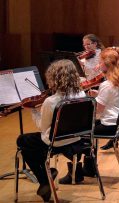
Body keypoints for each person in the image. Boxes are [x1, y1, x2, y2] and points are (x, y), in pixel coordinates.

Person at [16, 59, 86, 202]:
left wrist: (34, 111)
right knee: (30, 144)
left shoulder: (51, 101)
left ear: (54, 78)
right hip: (75, 139)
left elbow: (42, 127)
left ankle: (45, 179)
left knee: (23, 142)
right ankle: (47, 175)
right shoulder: (82, 95)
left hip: (56, 142)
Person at [88, 47, 119, 150]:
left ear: (107, 64)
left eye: (100, 62)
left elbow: (98, 110)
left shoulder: (107, 84)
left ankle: (88, 162)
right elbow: (116, 97)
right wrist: (99, 95)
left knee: (79, 130)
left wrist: (91, 101)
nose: (99, 65)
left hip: (110, 125)